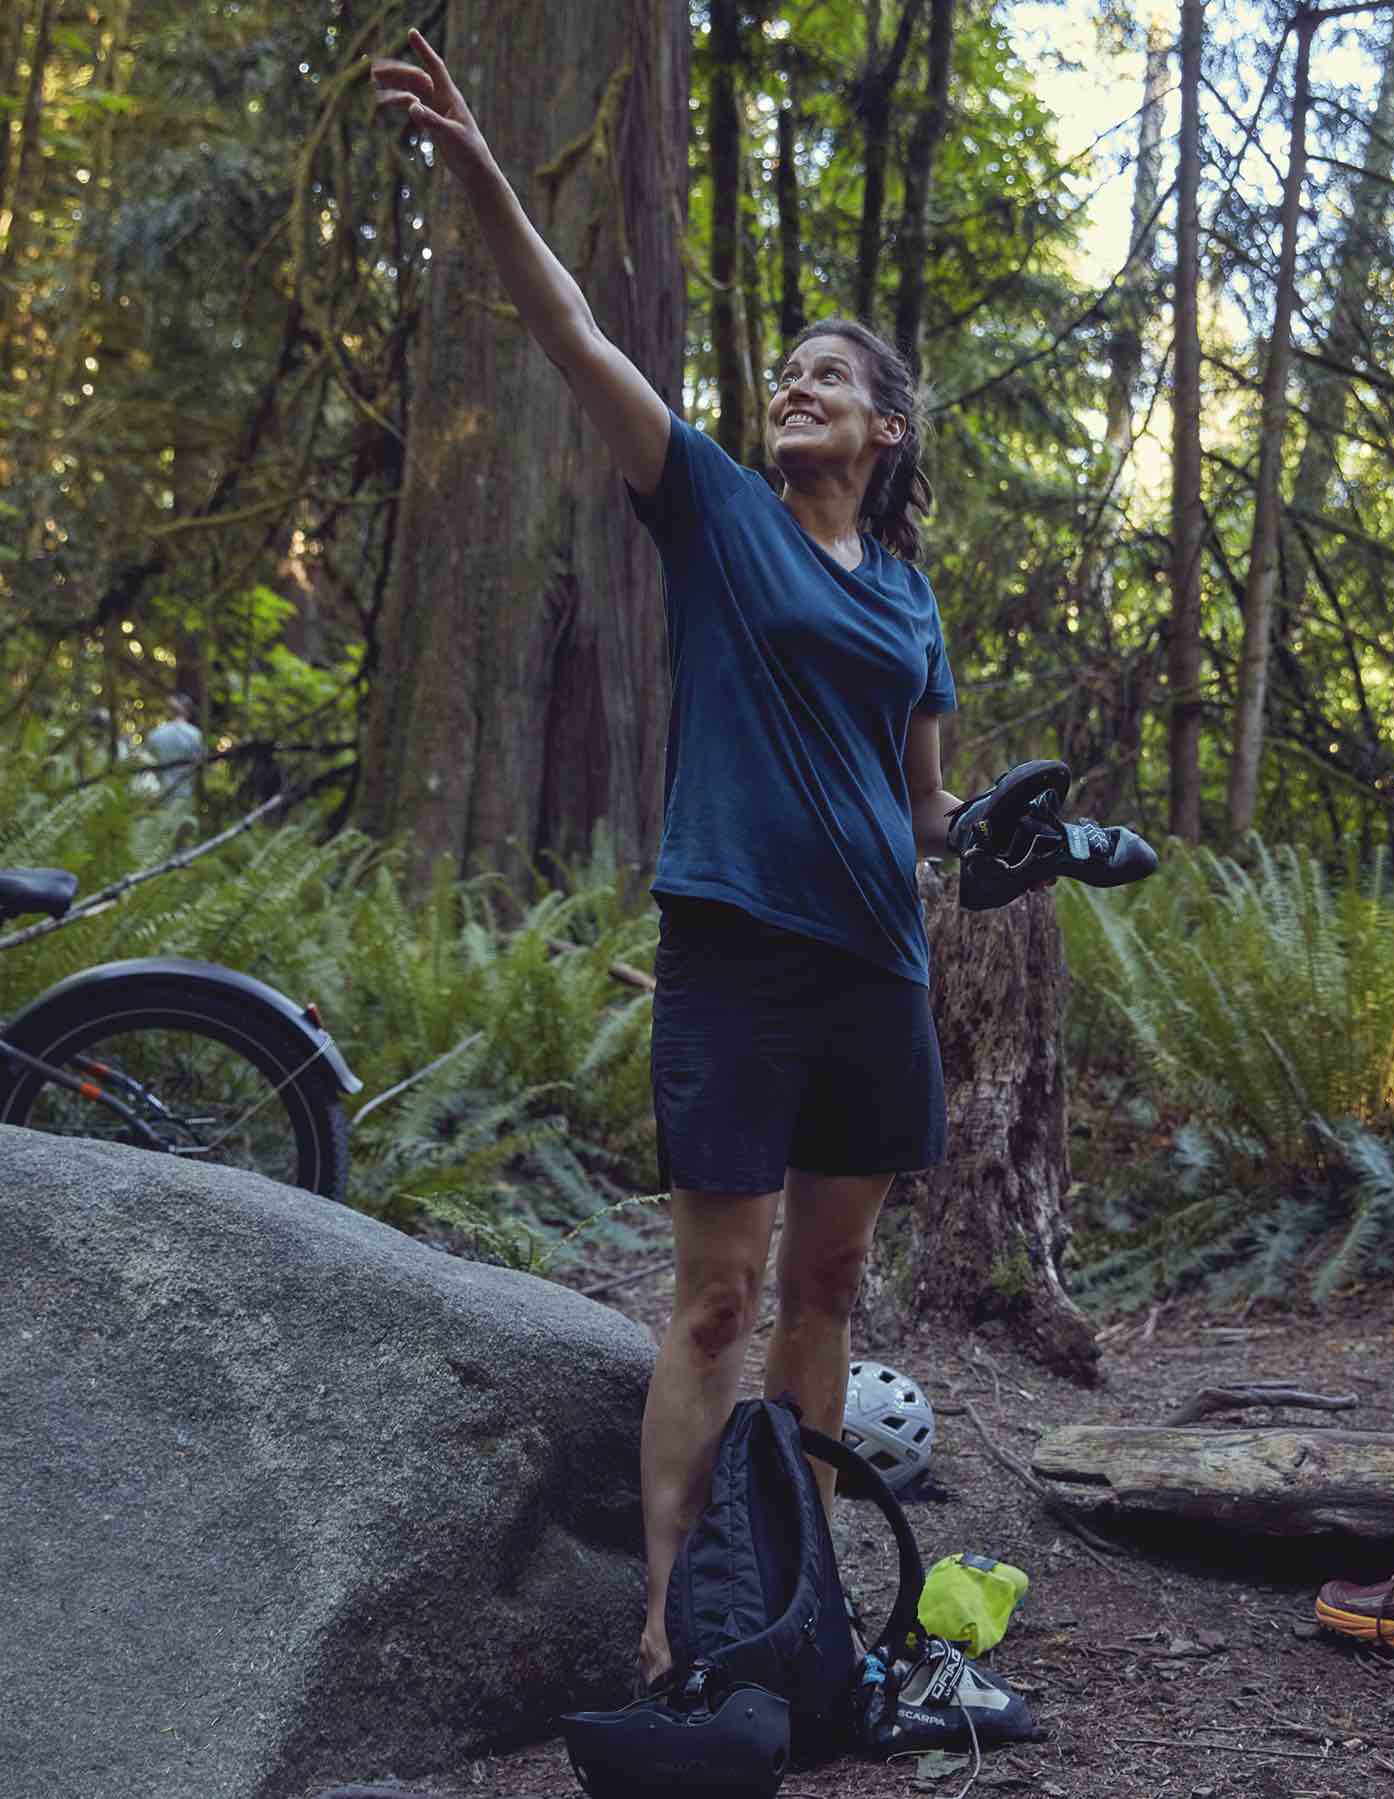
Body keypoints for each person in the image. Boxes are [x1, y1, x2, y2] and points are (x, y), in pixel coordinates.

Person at [373, 30, 975, 1689]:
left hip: (877, 968)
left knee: (828, 1286)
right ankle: (665, 1623)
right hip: (735, 950)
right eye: (782, 369)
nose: (792, 385)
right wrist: (483, 164)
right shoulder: (709, 504)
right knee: (715, 1295)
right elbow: (569, 331)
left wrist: (1006, 837)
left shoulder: (911, 599)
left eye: (826, 376)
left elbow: (925, 803)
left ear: (888, 428)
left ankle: (789, 1598)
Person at [139, 692, 204, 801]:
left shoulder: (155, 734)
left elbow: (147, 761)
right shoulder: (195, 734)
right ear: (188, 712)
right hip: (185, 794)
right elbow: (199, 764)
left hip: (160, 794)